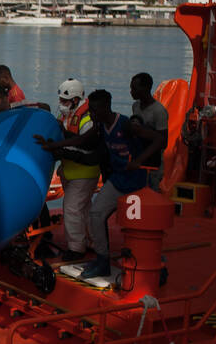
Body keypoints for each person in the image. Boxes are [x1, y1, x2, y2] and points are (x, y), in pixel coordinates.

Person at [36, 89, 145, 283]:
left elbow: (158, 139)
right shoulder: (100, 126)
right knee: (96, 214)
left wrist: (140, 162)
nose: (91, 114)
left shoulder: (125, 124)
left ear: (105, 108)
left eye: (94, 110)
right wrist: (52, 145)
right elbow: (81, 141)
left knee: (135, 224)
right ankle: (102, 259)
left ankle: (143, 260)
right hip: (117, 178)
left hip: (135, 180)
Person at [52, 78, 98, 260]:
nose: (61, 105)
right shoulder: (67, 116)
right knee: (84, 209)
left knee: (71, 208)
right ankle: (93, 241)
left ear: (76, 100)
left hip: (84, 172)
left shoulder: (86, 120)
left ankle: (76, 248)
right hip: (71, 171)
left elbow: (85, 146)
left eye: (64, 101)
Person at [128, 72, 168, 192]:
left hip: (152, 163)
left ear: (145, 88)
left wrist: (141, 132)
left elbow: (163, 142)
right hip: (137, 158)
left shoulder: (159, 111)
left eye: (134, 88)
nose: (131, 91)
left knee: (150, 192)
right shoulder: (135, 106)